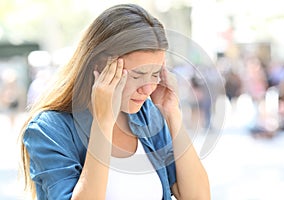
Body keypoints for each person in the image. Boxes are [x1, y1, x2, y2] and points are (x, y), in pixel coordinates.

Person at [20, 4, 210, 200]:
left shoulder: (147, 116)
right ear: (100, 65)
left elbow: (198, 197)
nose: (147, 88)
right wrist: (103, 122)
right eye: (137, 75)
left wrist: (173, 114)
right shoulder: (49, 129)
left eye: (154, 74)